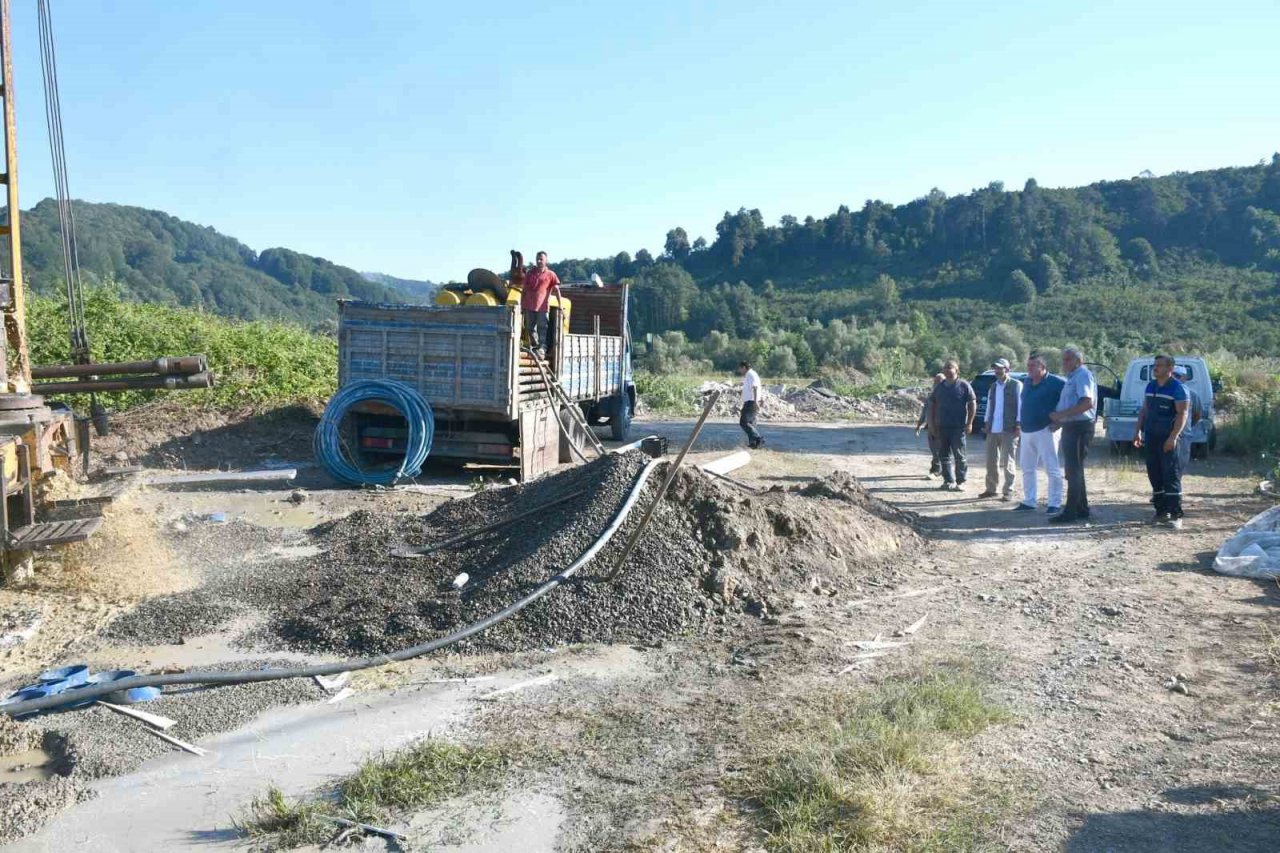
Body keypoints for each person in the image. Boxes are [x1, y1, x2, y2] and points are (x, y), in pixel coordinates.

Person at [1135, 355, 1190, 529]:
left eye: (1159, 365)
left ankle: (1175, 515)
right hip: (1151, 437)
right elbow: (1144, 410)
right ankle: (1160, 512)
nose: (1155, 368)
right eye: (1155, 365)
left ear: (1170, 368)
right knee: (1155, 475)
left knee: (1170, 476)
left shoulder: (1178, 388)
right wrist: (1137, 431)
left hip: (1168, 439)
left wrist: (1173, 437)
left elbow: (1183, 414)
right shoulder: (1150, 386)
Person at [1048, 346, 1096, 524]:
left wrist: (1060, 416)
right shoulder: (1073, 377)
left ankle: (1071, 512)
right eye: (1063, 359)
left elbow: (1086, 403)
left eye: (1068, 359)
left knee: (1073, 471)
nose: (1064, 363)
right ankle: (1081, 509)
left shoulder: (1082, 375)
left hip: (1079, 427)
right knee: (1075, 470)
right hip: (1072, 426)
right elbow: (1073, 403)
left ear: (1078, 360)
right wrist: (1060, 422)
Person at [1015, 354, 1065, 514]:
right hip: (1026, 430)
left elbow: (1071, 399)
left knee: (1052, 468)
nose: (1029, 368)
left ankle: (1054, 503)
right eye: (1028, 365)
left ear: (1043, 368)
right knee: (1027, 468)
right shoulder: (1028, 382)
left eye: (1033, 366)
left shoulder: (1056, 382)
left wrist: (1061, 420)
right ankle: (1029, 501)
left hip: (1046, 430)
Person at [978, 358, 1023, 501]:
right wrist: (986, 423)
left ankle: (1008, 491)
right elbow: (990, 407)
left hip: (1009, 428)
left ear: (1007, 370)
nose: (997, 371)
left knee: (1008, 460)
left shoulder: (1016, 385)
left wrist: (1019, 424)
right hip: (993, 429)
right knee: (991, 461)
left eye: (1000, 368)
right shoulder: (993, 386)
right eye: (995, 368)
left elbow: (1021, 406)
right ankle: (991, 489)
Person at [929, 359, 976, 492]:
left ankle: (961, 481)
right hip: (942, 427)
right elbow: (931, 405)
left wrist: (970, 423)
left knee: (959, 455)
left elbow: (972, 403)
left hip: (958, 427)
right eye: (945, 368)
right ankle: (948, 480)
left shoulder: (964, 386)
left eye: (950, 367)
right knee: (943, 455)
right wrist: (931, 424)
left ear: (957, 370)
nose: (947, 370)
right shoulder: (939, 387)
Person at [520, 251, 561, 356]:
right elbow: (524, 289)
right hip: (529, 305)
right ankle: (536, 345)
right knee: (529, 328)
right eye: (537, 259)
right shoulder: (529, 273)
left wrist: (560, 305)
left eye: (541, 259)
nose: (539, 261)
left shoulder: (551, 274)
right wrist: (521, 304)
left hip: (542, 306)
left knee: (542, 327)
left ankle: (542, 347)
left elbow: (556, 289)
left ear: (546, 260)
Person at [915, 374, 945, 478]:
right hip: (931, 426)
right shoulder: (931, 396)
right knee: (933, 449)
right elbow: (925, 412)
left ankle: (937, 470)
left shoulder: (946, 396)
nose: (936, 384)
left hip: (942, 426)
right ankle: (936, 469)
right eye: (935, 381)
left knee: (938, 449)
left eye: (939, 382)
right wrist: (919, 425)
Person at [1173, 365, 1202, 471]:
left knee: (1180, 464)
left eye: (1177, 376)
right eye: (1172, 375)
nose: (1174, 378)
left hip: (1184, 435)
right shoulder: (1164, 392)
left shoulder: (1192, 395)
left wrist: (1185, 425)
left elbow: (1197, 415)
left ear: (1184, 378)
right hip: (1165, 434)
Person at [738, 361, 765, 449]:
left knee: (743, 422)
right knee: (750, 423)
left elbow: (755, 387)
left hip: (751, 401)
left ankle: (758, 438)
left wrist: (756, 401)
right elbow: (758, 387)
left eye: (740, 368)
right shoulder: (753, 374)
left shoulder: (750, 374)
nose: (739, 370)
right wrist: (761, 399)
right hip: (751, 401)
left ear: (744, 367)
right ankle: (753, 444)